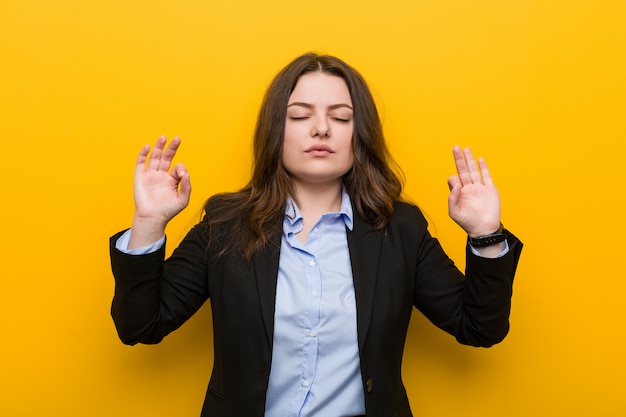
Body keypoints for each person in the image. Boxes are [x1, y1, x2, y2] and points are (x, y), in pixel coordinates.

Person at [109, 53, 523, 417]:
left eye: (340, 117)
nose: (321, 128)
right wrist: (148, 224)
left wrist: (486, 234)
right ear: (276, 130)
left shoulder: (401, 229)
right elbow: (141, 326)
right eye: (300, 115)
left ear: (357, 136)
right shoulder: (225, 224)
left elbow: (480, 328)